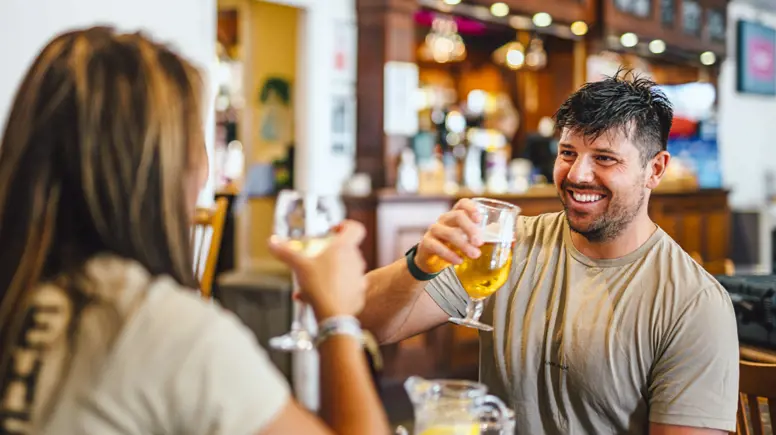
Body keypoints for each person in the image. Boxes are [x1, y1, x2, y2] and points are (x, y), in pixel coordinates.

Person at [0, 27, 389, 435]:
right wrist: (336, 319)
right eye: (196, 140)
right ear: (164, 169)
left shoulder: (21, 294)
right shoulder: (164, 331)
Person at [360, 72, 739, 435]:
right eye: (568, 153)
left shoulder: (693, 304)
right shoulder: (509, 246)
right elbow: (367, 323)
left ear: (655, 169)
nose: (577, 174)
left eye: (605, 158)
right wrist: (419, 266)